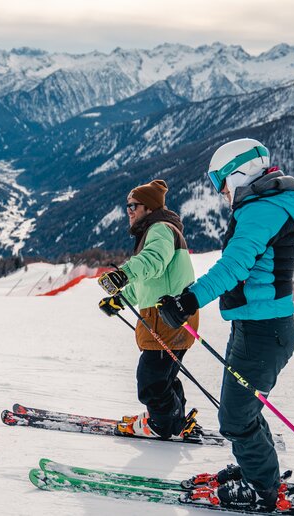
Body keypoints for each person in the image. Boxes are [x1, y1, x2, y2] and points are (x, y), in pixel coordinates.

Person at [156, 138, 294, 511]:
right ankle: (256, 469)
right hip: (257, 327)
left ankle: (262, 490)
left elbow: (234, 266)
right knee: (242, 411)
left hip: (263, 331)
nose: (221, 191)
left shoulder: (262, 211)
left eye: (221, 180)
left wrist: (189, 300)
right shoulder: (265, 206)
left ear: (240, 173)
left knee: (235, 417)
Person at [97, 179, 200, 439]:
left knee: (151, 384)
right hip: (168, 317)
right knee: (164, 377)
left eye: (134, 205)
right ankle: (172, 420)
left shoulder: (160, 229)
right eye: (127, 206)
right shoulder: (158, 229)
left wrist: (123, 274)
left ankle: (163, 426)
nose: (129, 210)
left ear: (150, 208)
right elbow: (149, 282)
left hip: (166, 319)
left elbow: (154, 260)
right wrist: (120, 299)